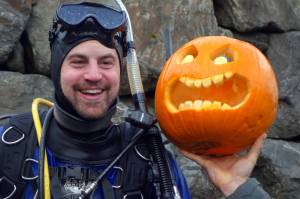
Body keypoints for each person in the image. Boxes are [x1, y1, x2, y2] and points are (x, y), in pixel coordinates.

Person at [0, 0, 272, 198]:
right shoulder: (11, 146)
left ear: (121, 70)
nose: (93, 75)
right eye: (78, 61)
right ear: (57, 68)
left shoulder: (148, 158)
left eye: (106, 62)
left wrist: (238, 188)